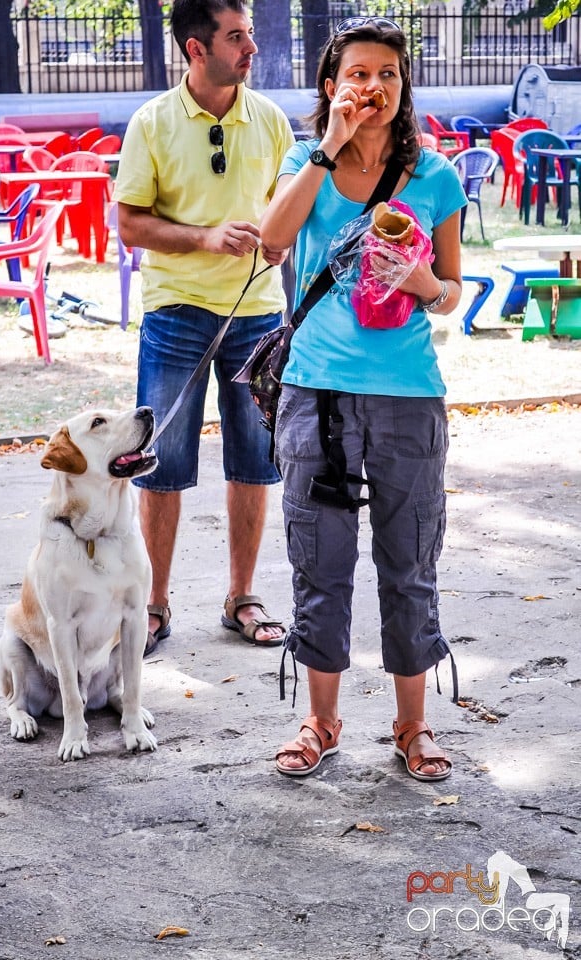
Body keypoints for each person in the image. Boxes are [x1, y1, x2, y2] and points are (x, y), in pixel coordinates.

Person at [260, 17, 467, 780]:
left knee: (409, 559)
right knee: (320, 560)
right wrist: (325, 148)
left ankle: (413, 726)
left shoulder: (436, 176)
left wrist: (423, 285)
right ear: (331, 85)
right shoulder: (301, 159)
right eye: (357, 74)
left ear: (402, 85)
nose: (372, 85)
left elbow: (451, 290)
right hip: (315, 392)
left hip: (408, 396)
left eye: (386, 73)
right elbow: (273, 240)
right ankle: (320, 720)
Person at [113, 0, 295, 655]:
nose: (252, 48)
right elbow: (129, 223)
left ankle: (242, 598)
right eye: (236, 37)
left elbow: (290, 205)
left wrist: (280, 239)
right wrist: (204, 237)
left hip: (257, 316)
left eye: (249, 34)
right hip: (176, 317)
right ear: (197, 49)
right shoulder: (153, 122)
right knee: (158, 467)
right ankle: (153, 606)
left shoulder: (270, 119)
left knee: (255, 461)